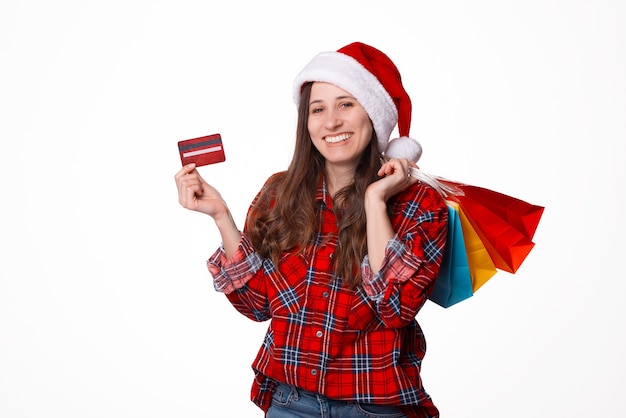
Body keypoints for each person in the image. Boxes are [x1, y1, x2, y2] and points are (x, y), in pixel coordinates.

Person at [174, 42, 448, 418]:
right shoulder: (279, 193)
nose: (331, 122)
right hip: (290, 402)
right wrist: (221, 215)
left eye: (346, 104)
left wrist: (375, 202)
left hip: (375, 406)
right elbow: (257, 306)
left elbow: (395, 306)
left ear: (373, 115)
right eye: (318, 109)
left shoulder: (420, 204)